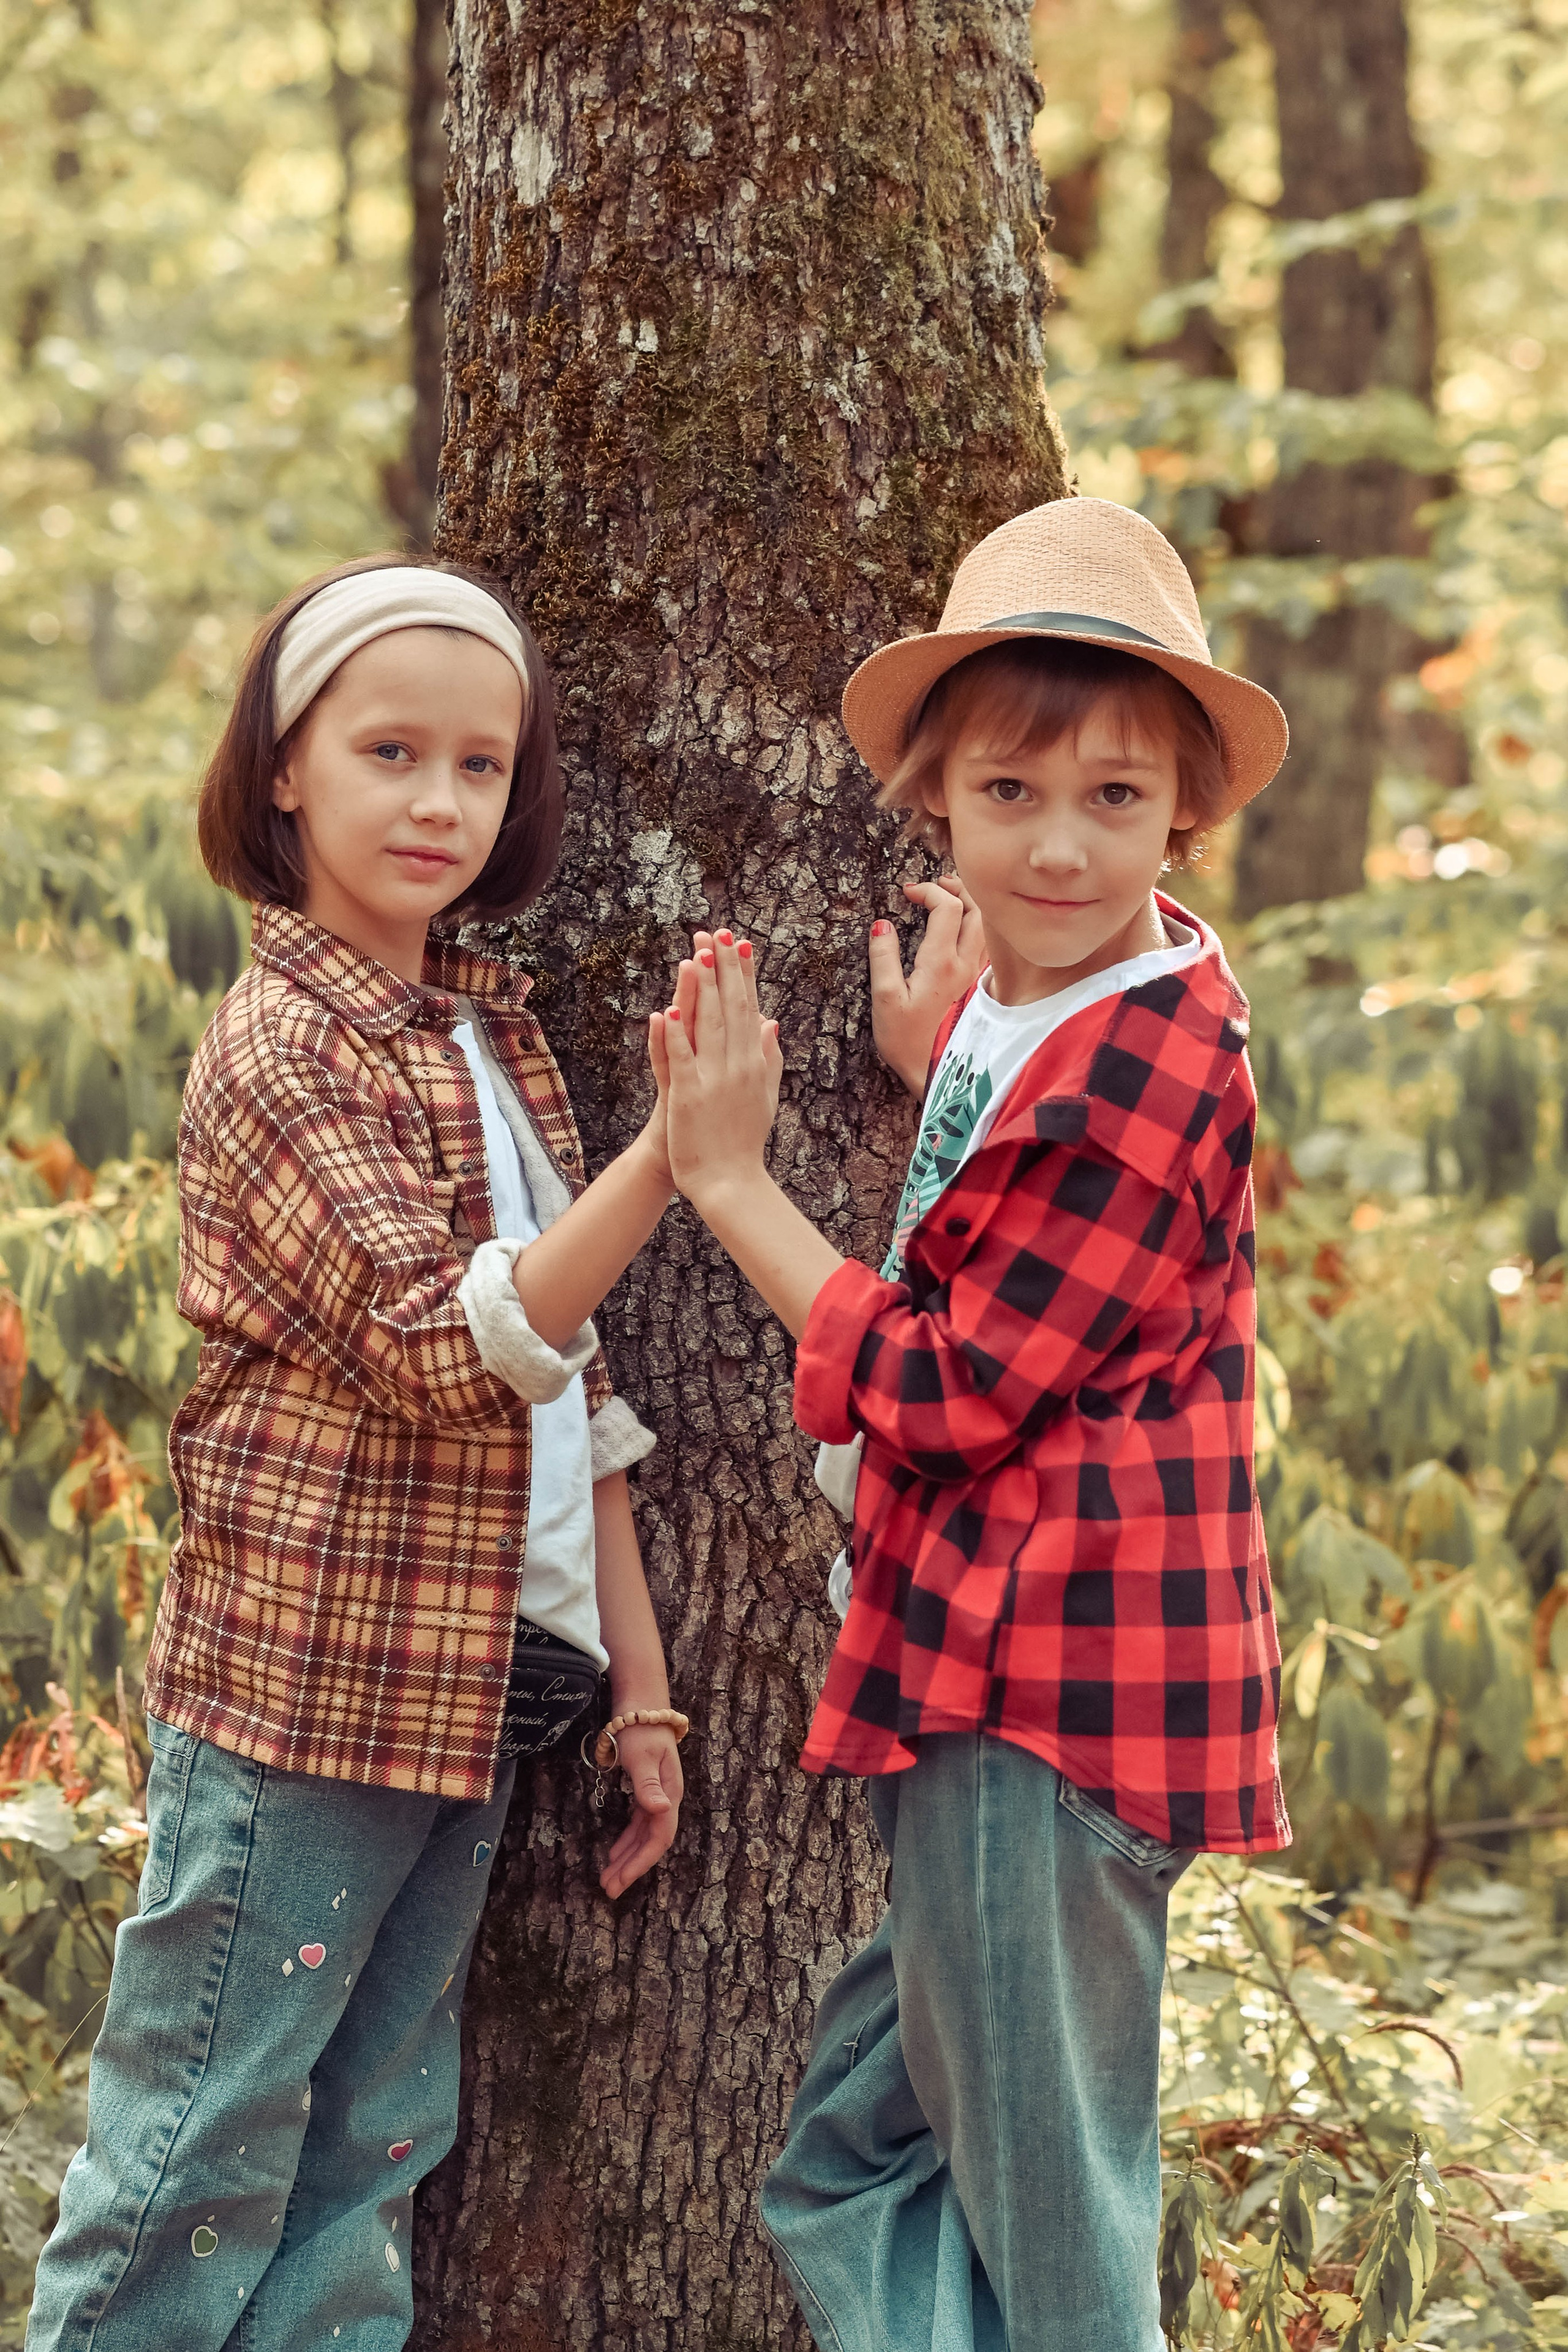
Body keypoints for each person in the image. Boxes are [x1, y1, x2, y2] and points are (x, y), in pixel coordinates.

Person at [26, 556, 761, 2351]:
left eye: (480, 766)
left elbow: (571, 1381)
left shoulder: (488, 1032)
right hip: (311, 1694)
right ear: (285, 767)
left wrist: (642, 1693)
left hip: (478, 1688)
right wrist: (675, 1160)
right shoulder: (283, 1051)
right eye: (390, 753)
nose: (439, 802)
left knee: (373, 2149)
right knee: (196, 2147)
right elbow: (450, 1348)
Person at [651, 498, 1292, 2352]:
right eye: (1011, 793)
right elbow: (1019, 1211)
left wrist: (730, 1181)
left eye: (1115, 797)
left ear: (1187, 811)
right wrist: (947, 1068)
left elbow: (950, 1389)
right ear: (934, 798)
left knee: (1048, 2220)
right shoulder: (1071, 1001)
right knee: (858, 2161)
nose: (1060, 844)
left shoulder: (1136, 1067)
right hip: (997, 1680)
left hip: (1049, 1697)